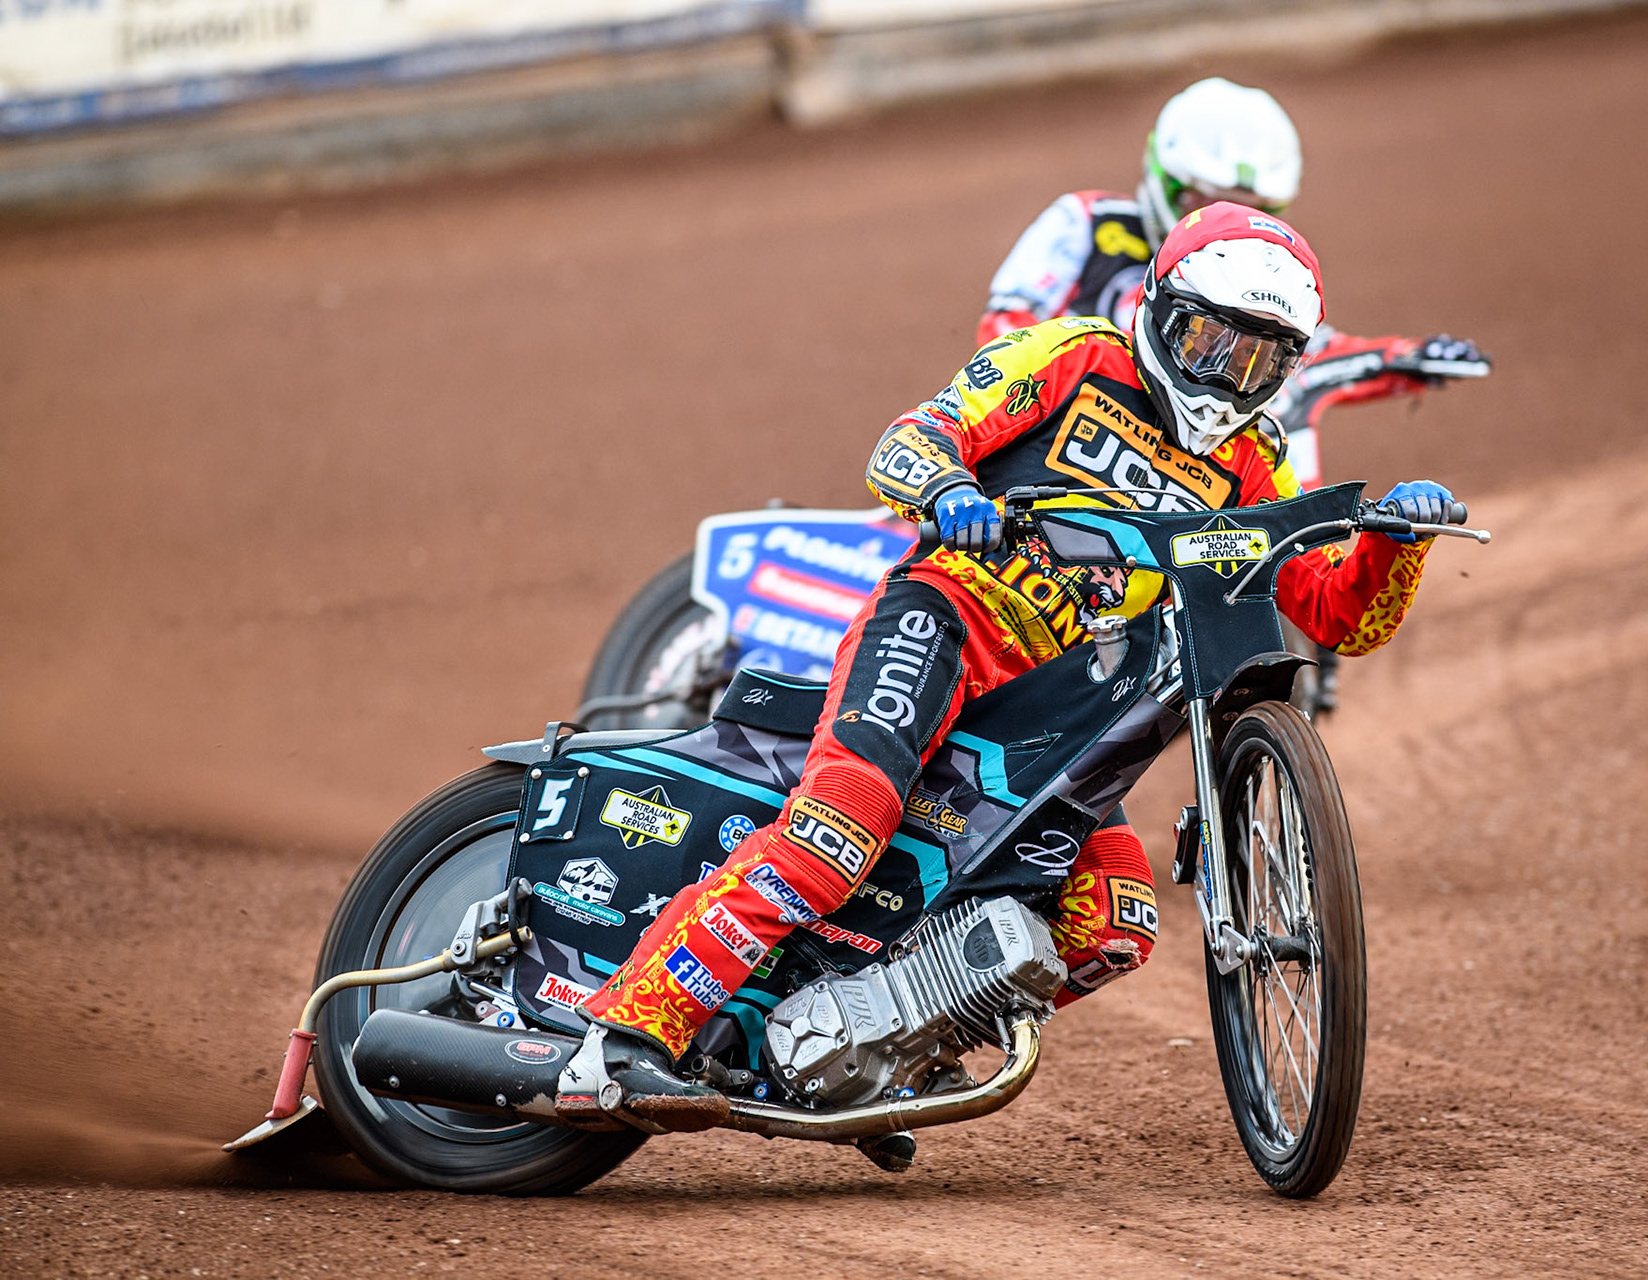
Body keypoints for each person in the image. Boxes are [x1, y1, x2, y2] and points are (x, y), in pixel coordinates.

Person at [561, 204, 1458, 1138]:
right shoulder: (1071, 355)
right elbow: (910, 438)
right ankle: (625, 1031)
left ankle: (876, 1047)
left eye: (1260, 359)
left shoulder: (1251, 457)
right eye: (1208, 340)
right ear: (1157, 305)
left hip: (1060, 709)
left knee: (1113, 925)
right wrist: (949, 488)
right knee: (841, 829)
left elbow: (1332, 612)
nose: (1227, 375)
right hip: (946, 623)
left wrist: (1395, 545)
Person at [976, 75, 1486, 475]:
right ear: (1168, 179)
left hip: (1194, 452)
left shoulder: (1258, 274)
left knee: (1272, 387)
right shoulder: (1087, 223)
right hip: (1063, 435)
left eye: (1251, 208)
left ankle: (1283, 570)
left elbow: (1301, 353)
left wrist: (1400, 357)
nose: (1223, 221)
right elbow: (1002, 334)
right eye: (1206, 200)